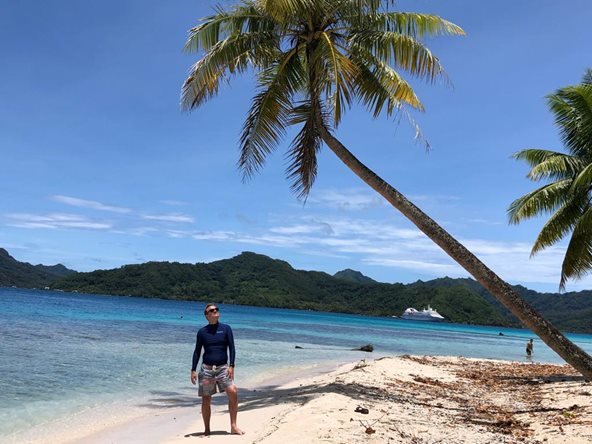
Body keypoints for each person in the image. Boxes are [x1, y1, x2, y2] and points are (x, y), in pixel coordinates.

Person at [191, 303, 244, 436]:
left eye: (216, 309)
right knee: (206, 399)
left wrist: (232, 365)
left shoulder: (226, 329)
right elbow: (197, 351)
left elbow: (232, 348)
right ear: (206, 315)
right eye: (211, 310)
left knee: (233, 392)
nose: (215, 311)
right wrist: (193, 369)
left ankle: (233, 426)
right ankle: (207, 429)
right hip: (207, 370)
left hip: (223, 368)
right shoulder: (202, 332)